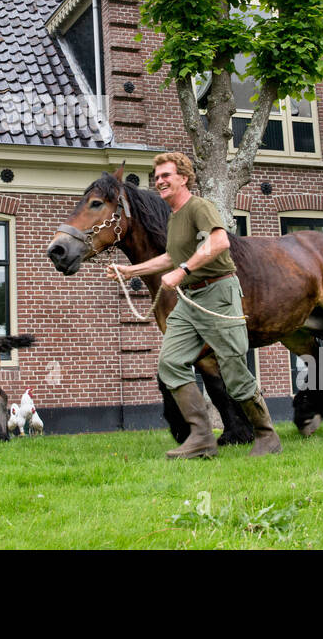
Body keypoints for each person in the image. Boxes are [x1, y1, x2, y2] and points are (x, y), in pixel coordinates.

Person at [109, 152, 281, 459]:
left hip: (218, 293)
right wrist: (131, 271)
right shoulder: (174, 216)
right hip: (190, 301)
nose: (159, 180)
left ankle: (267, 436)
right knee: (171, 362)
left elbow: (218, 243)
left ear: (183, 178)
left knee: (233, 369)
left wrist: (183, 271)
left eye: (166, 175)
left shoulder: (199, 207)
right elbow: (171, 257)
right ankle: (202, 438)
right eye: (157, 176)